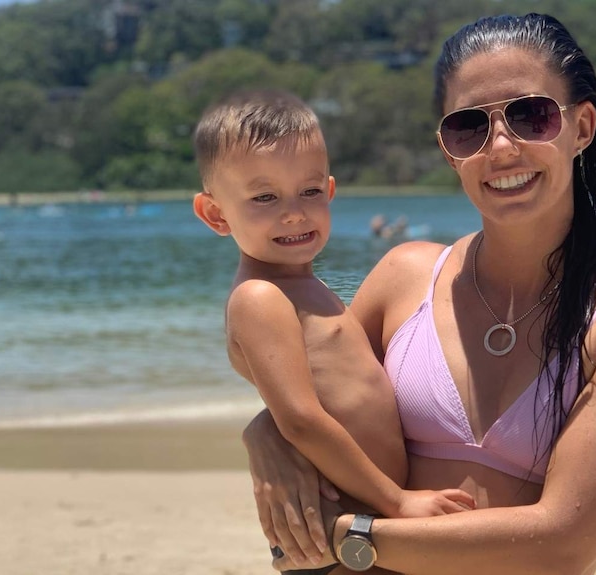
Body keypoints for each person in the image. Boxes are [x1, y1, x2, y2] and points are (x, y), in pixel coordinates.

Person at [242, 13, 596, 575]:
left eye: (531, 116)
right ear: (448, 149)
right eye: (469, 127)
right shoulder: (402, 277)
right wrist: (263, 431)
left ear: (582, 127)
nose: (501, 147)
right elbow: (320, 391)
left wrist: (350, 540)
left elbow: (562, 542)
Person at [191, 90, 475, 573]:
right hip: (336, 533)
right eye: (264, 197)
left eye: (309, 192)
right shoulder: (259, 298)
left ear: (330, 191)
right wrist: (398, 502)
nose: (294, 212)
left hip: (366, 518)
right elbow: (300, 419)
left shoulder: (309, 289)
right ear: (216, 214)